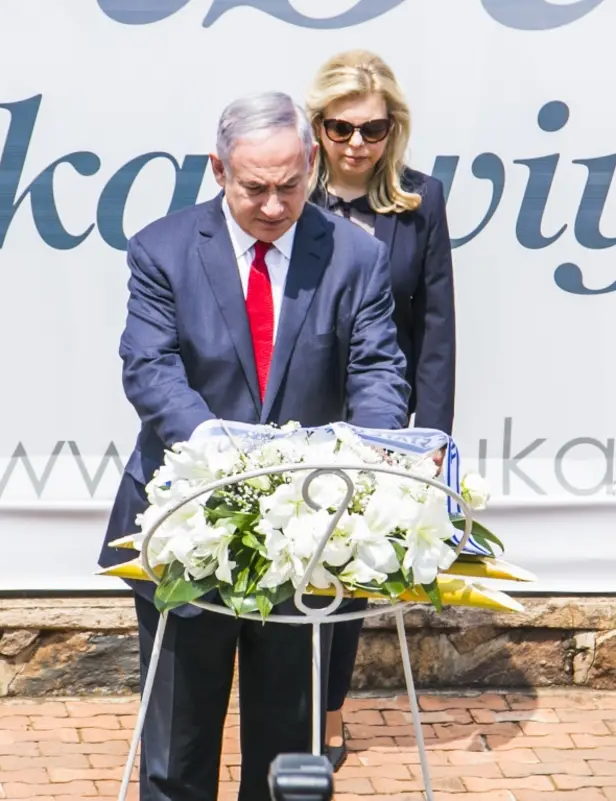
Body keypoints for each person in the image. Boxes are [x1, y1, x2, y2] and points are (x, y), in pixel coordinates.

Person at [97, 91, 411, 801]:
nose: (274, 205)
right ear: (218, 169)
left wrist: (373, 453)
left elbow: (377, 371)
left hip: (305, 533)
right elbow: (150, 368)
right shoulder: (162, 249)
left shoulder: (355, 255)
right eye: (254, 188)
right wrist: (223, 455)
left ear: (311, 164)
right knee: (176, 751)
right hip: (188, 525)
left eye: (291, 185)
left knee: (289, 754)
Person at [305, 50, 456, 771]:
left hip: (379, 411)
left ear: (393, 129)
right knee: (286, 561)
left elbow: (435, 331)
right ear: (318, 126)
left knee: (347, 572)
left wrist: (428, 436)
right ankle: (283, 709)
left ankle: (329, 712)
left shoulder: (420, 202)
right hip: (294, 410)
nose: (357, 144)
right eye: (341, 128)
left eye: (373, 129)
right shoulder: (288, 197)